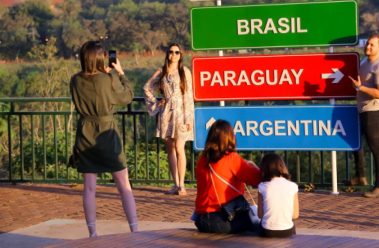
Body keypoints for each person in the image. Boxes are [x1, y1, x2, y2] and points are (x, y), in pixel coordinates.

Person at [69, 40, 138, 237]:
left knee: (89, 187)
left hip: (86, 133)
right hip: (107, 132)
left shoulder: (75, 80)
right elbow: (127, 97)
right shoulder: (107, 79)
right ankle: (134, 229)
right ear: (100, 58)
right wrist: (119, 74)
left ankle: (92, 233)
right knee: (124, 185)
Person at [143, 43, 194, 196]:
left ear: (180, 55)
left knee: (180, 147)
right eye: (171, 52)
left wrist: (188, 118)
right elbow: (147, 87)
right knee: (170, 149)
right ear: (167, 54)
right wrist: (157, 103)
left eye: (177, 52)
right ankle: (176, 184)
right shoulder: (161, 71)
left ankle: (182, 185)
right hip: (166, 113)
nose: (174, 55)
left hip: (181, 113)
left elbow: (189, 95)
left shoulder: (185, 71)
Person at [193, 119, 261, 234]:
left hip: (201, 220)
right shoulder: (231, 159)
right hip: (222, 220)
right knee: (259, 225)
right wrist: (252, 165)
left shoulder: (202, 160)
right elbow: (257, 179)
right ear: (230, 137)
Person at [348, 32, 379, 198]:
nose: (368, 46)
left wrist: (360, 88)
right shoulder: (365, 61)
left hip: (373, 111)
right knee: (355, 142)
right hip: (361, 109)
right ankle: (361, 177)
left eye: (372, 45)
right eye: (367, 44)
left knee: (376, 149)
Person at [257, 153, 299, 238]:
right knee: (292, 225)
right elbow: (295, 215)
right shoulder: (293, 186)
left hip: (268, 231)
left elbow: (260, 215)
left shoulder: (262, 186)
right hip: (287, 232)